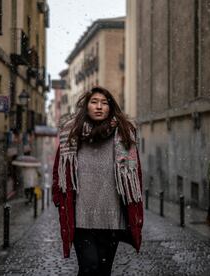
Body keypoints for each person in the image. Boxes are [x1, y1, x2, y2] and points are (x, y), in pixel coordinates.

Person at [52, 86, 144, 276]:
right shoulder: (71, 136)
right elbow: (59, 172)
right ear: (86, 107)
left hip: (112, 219)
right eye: (94, 102)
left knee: (104, 270)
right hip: (81, 219)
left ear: (111, 107)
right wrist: (59, 199)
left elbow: (136, 175)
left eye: (104, 103)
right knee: (89, 267)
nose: (99, 107)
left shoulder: (124, 135)